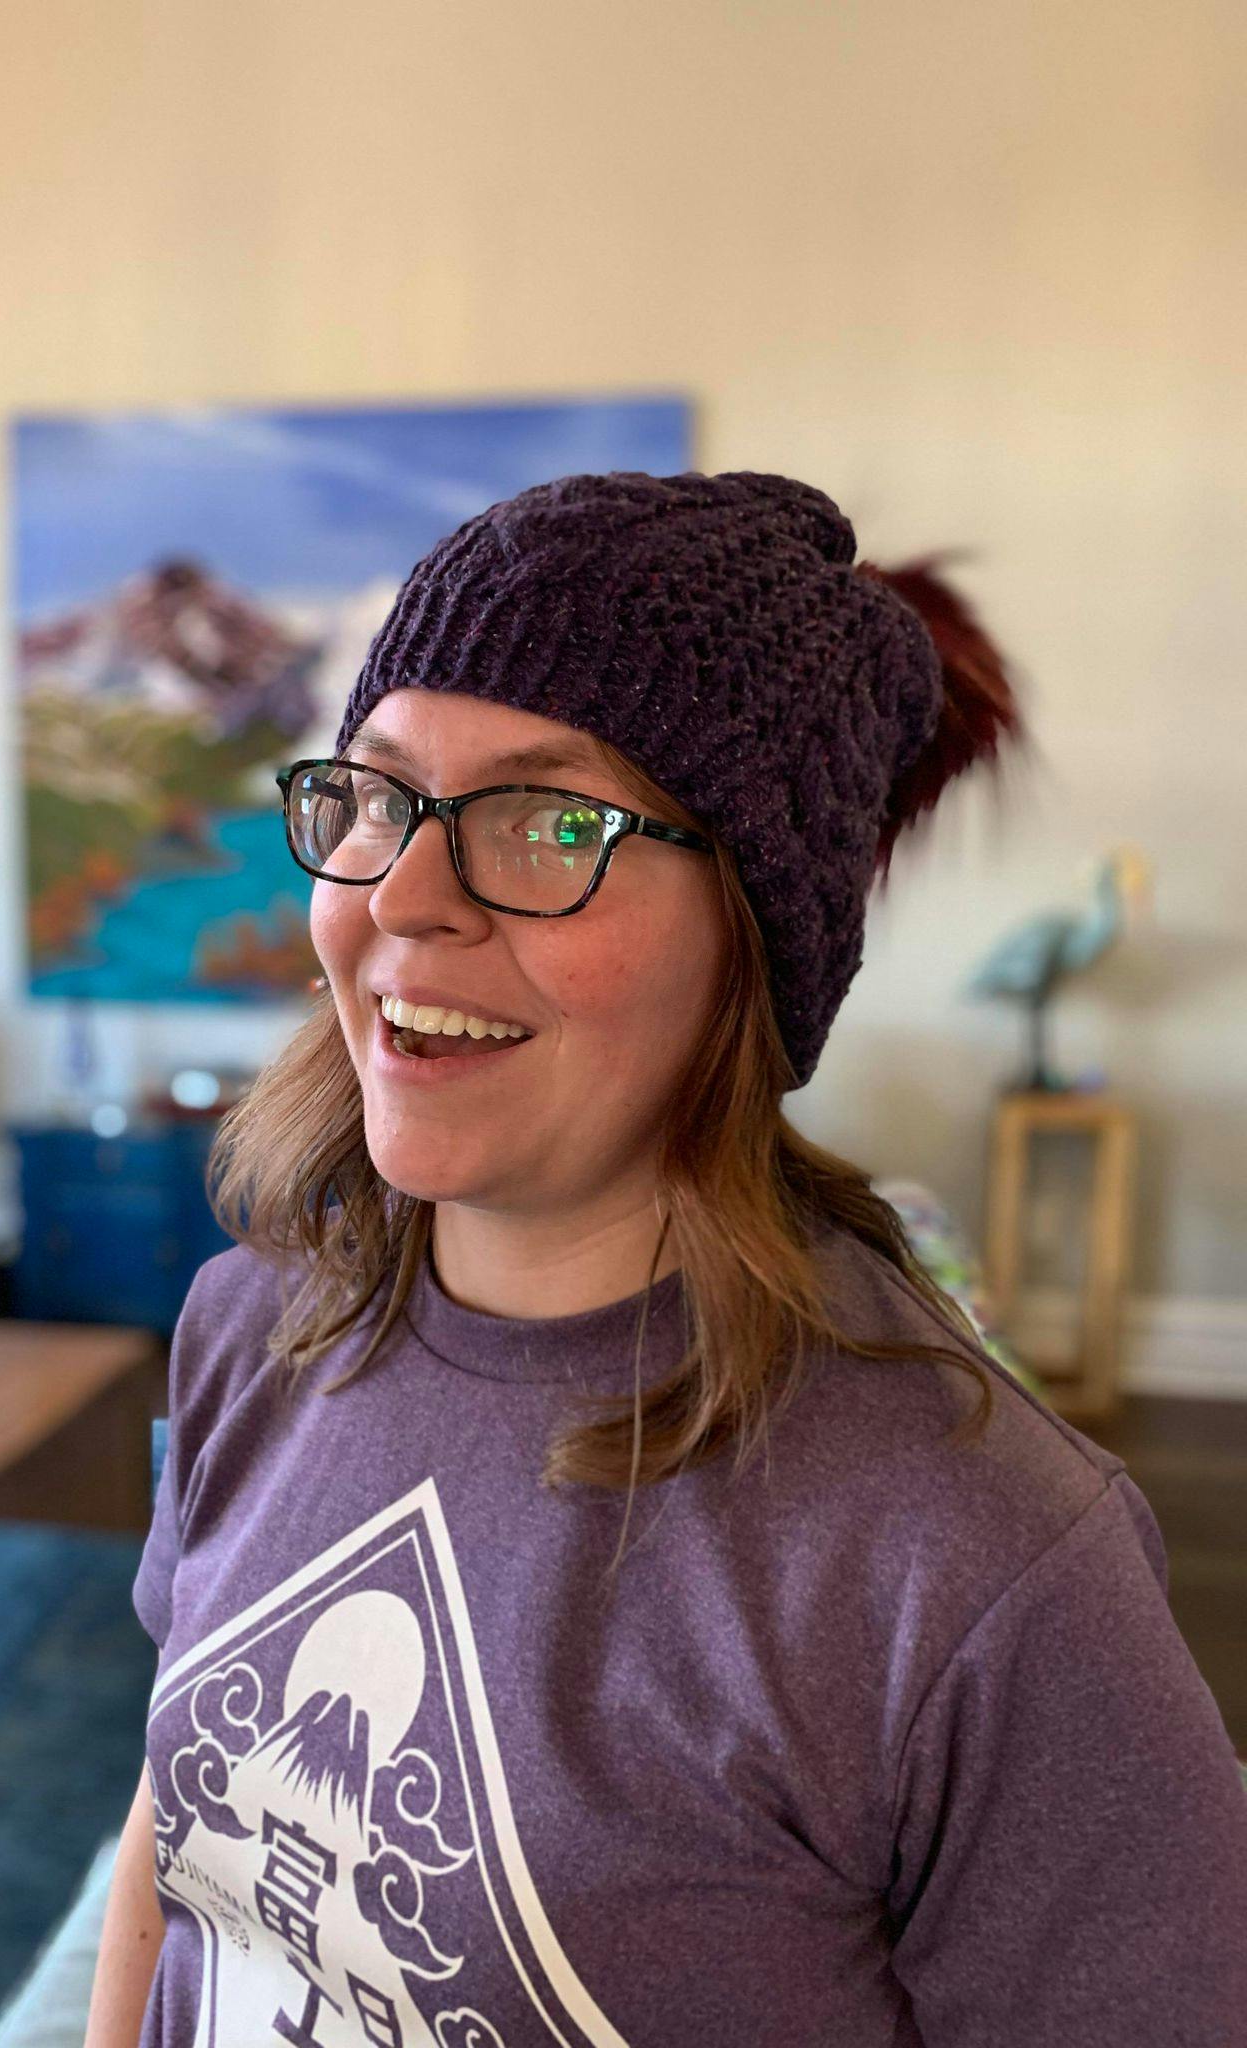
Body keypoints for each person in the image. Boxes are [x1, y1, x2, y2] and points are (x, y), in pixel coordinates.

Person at [84, 470, 1247, 2048]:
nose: (403, 900)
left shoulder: (977, 1562)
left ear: (752, 937)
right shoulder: (250, 1326)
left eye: (550, 819)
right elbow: (172, 1850)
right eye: (372, 797)